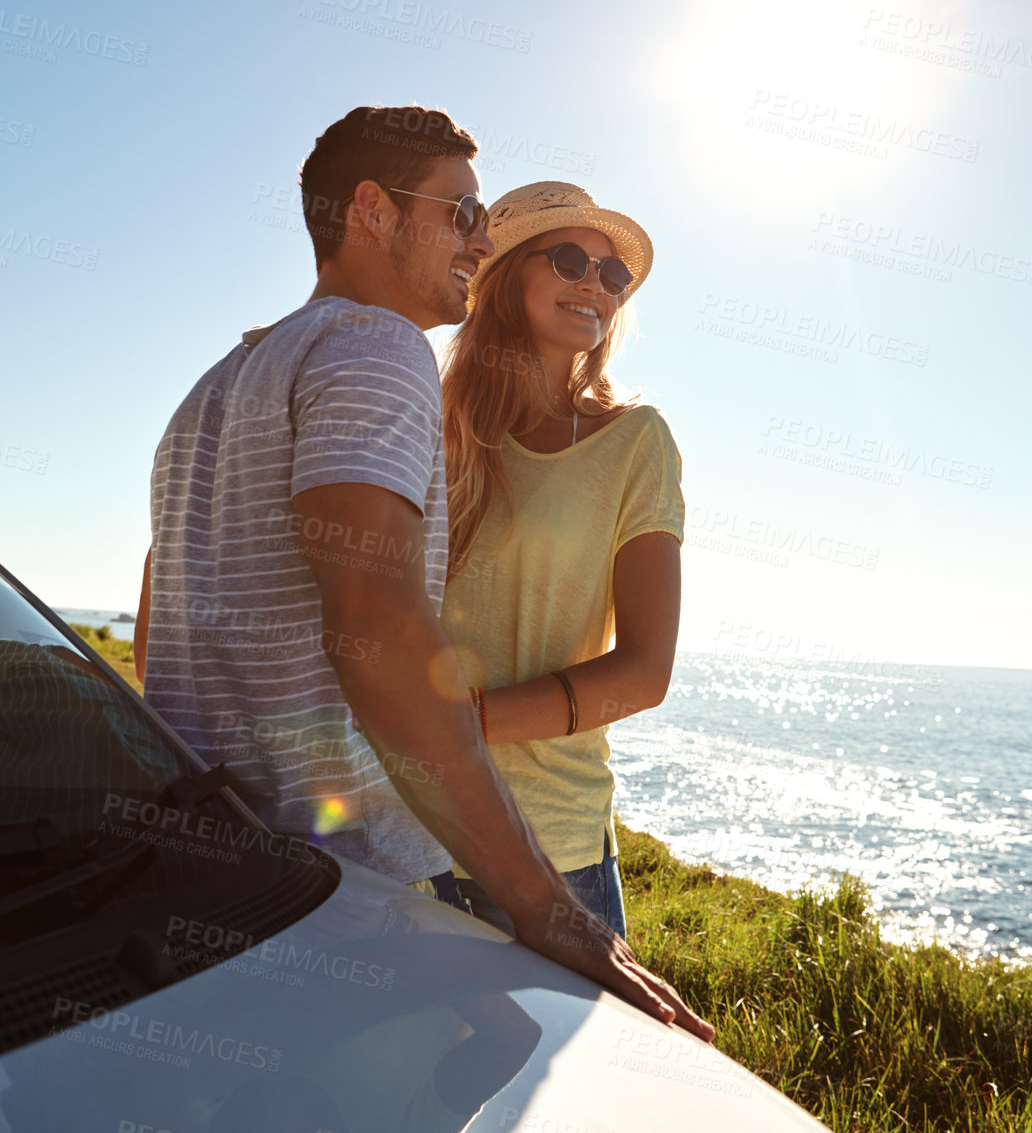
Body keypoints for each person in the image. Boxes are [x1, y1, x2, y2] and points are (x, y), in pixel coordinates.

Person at [134, 105, 710, 1040]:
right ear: (372, 210)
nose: (476, 243)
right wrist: (546, 908)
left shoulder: (217, 382)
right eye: (463, 215)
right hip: (362, 866)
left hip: (245, 860)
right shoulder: (377, 353)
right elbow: (379, 629)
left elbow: (165, 596)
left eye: (613, 275)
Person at [439, 182, 683, 940]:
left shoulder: (636, 440)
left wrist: (454, 728)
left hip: (552, 844)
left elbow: (645, 672)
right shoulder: (428, 423)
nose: (595, 285)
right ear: (506, 276)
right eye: (572, 258)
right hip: (407, 828)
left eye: (613, 276)